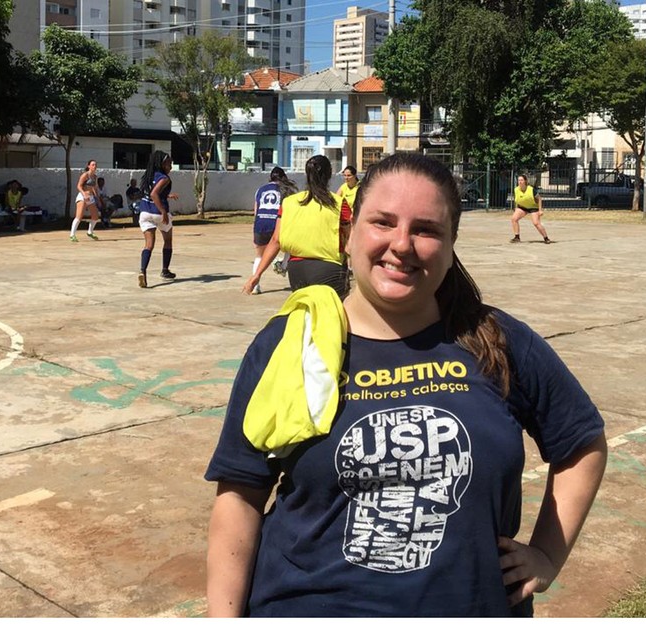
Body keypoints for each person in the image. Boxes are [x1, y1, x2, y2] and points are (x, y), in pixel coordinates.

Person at [207, 153, 608, 617]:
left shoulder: (497, 341)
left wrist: (547, 555)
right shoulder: (292, 341)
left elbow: (581, 442)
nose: (402, 244)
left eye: (425, 229)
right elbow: (239, 498)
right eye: (382, 222)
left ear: (451, 243)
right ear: (349, 233)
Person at [244, 155, 350, 298]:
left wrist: (257, 274)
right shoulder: (339, 203)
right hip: (329, 268)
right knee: (332, 315)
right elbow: (351, 241)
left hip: (297, 270)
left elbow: (276, 240)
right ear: (329, 174)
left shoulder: (289, 203)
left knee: (303, 313)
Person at [250, 167, 297, 295]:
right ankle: (283, 266)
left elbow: (256, 211)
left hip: (261, 223)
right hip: (277, 222)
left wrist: (257, 227)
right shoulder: (287, 190)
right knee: (291, 246)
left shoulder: (260, 189)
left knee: (259, 256)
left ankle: (255, 286)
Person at [136, 150, 178, 288]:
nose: (170, 166)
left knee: (149, 245)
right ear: (161, 163)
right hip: (158, 213)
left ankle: (143, 271)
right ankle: (165, 270)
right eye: (168, 163)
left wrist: (167, 195)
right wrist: (163, 211)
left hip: (144, 213)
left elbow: (151, 192)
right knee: (168, 240)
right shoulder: (164, 178)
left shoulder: (148, 175)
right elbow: (154, 194)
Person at [509, 174, 551, 244]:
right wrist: (516, 208)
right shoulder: (516, 189)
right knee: (514, 219)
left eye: (521, 180)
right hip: (522, 207)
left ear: (525, 181)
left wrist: (540, 210)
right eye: (519, 180)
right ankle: (517, 237)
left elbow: (539, 199)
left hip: (533, 207)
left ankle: (546, 238)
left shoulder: (531, 189)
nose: (520, 182)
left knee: (536, 223)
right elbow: (517, 200)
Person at [70, 159, 101, 242]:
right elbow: (79, 186)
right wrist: (84, 194)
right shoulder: (85, 175)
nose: (95, 166)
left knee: (95, 216)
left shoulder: (95, 177)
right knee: (79, 216)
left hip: (90, 197)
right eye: (93, 165)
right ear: (89, 166)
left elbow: (94, 188)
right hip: (82, 196)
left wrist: (97, 197)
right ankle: (72, 235)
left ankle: (90, 232)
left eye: (95, 165)